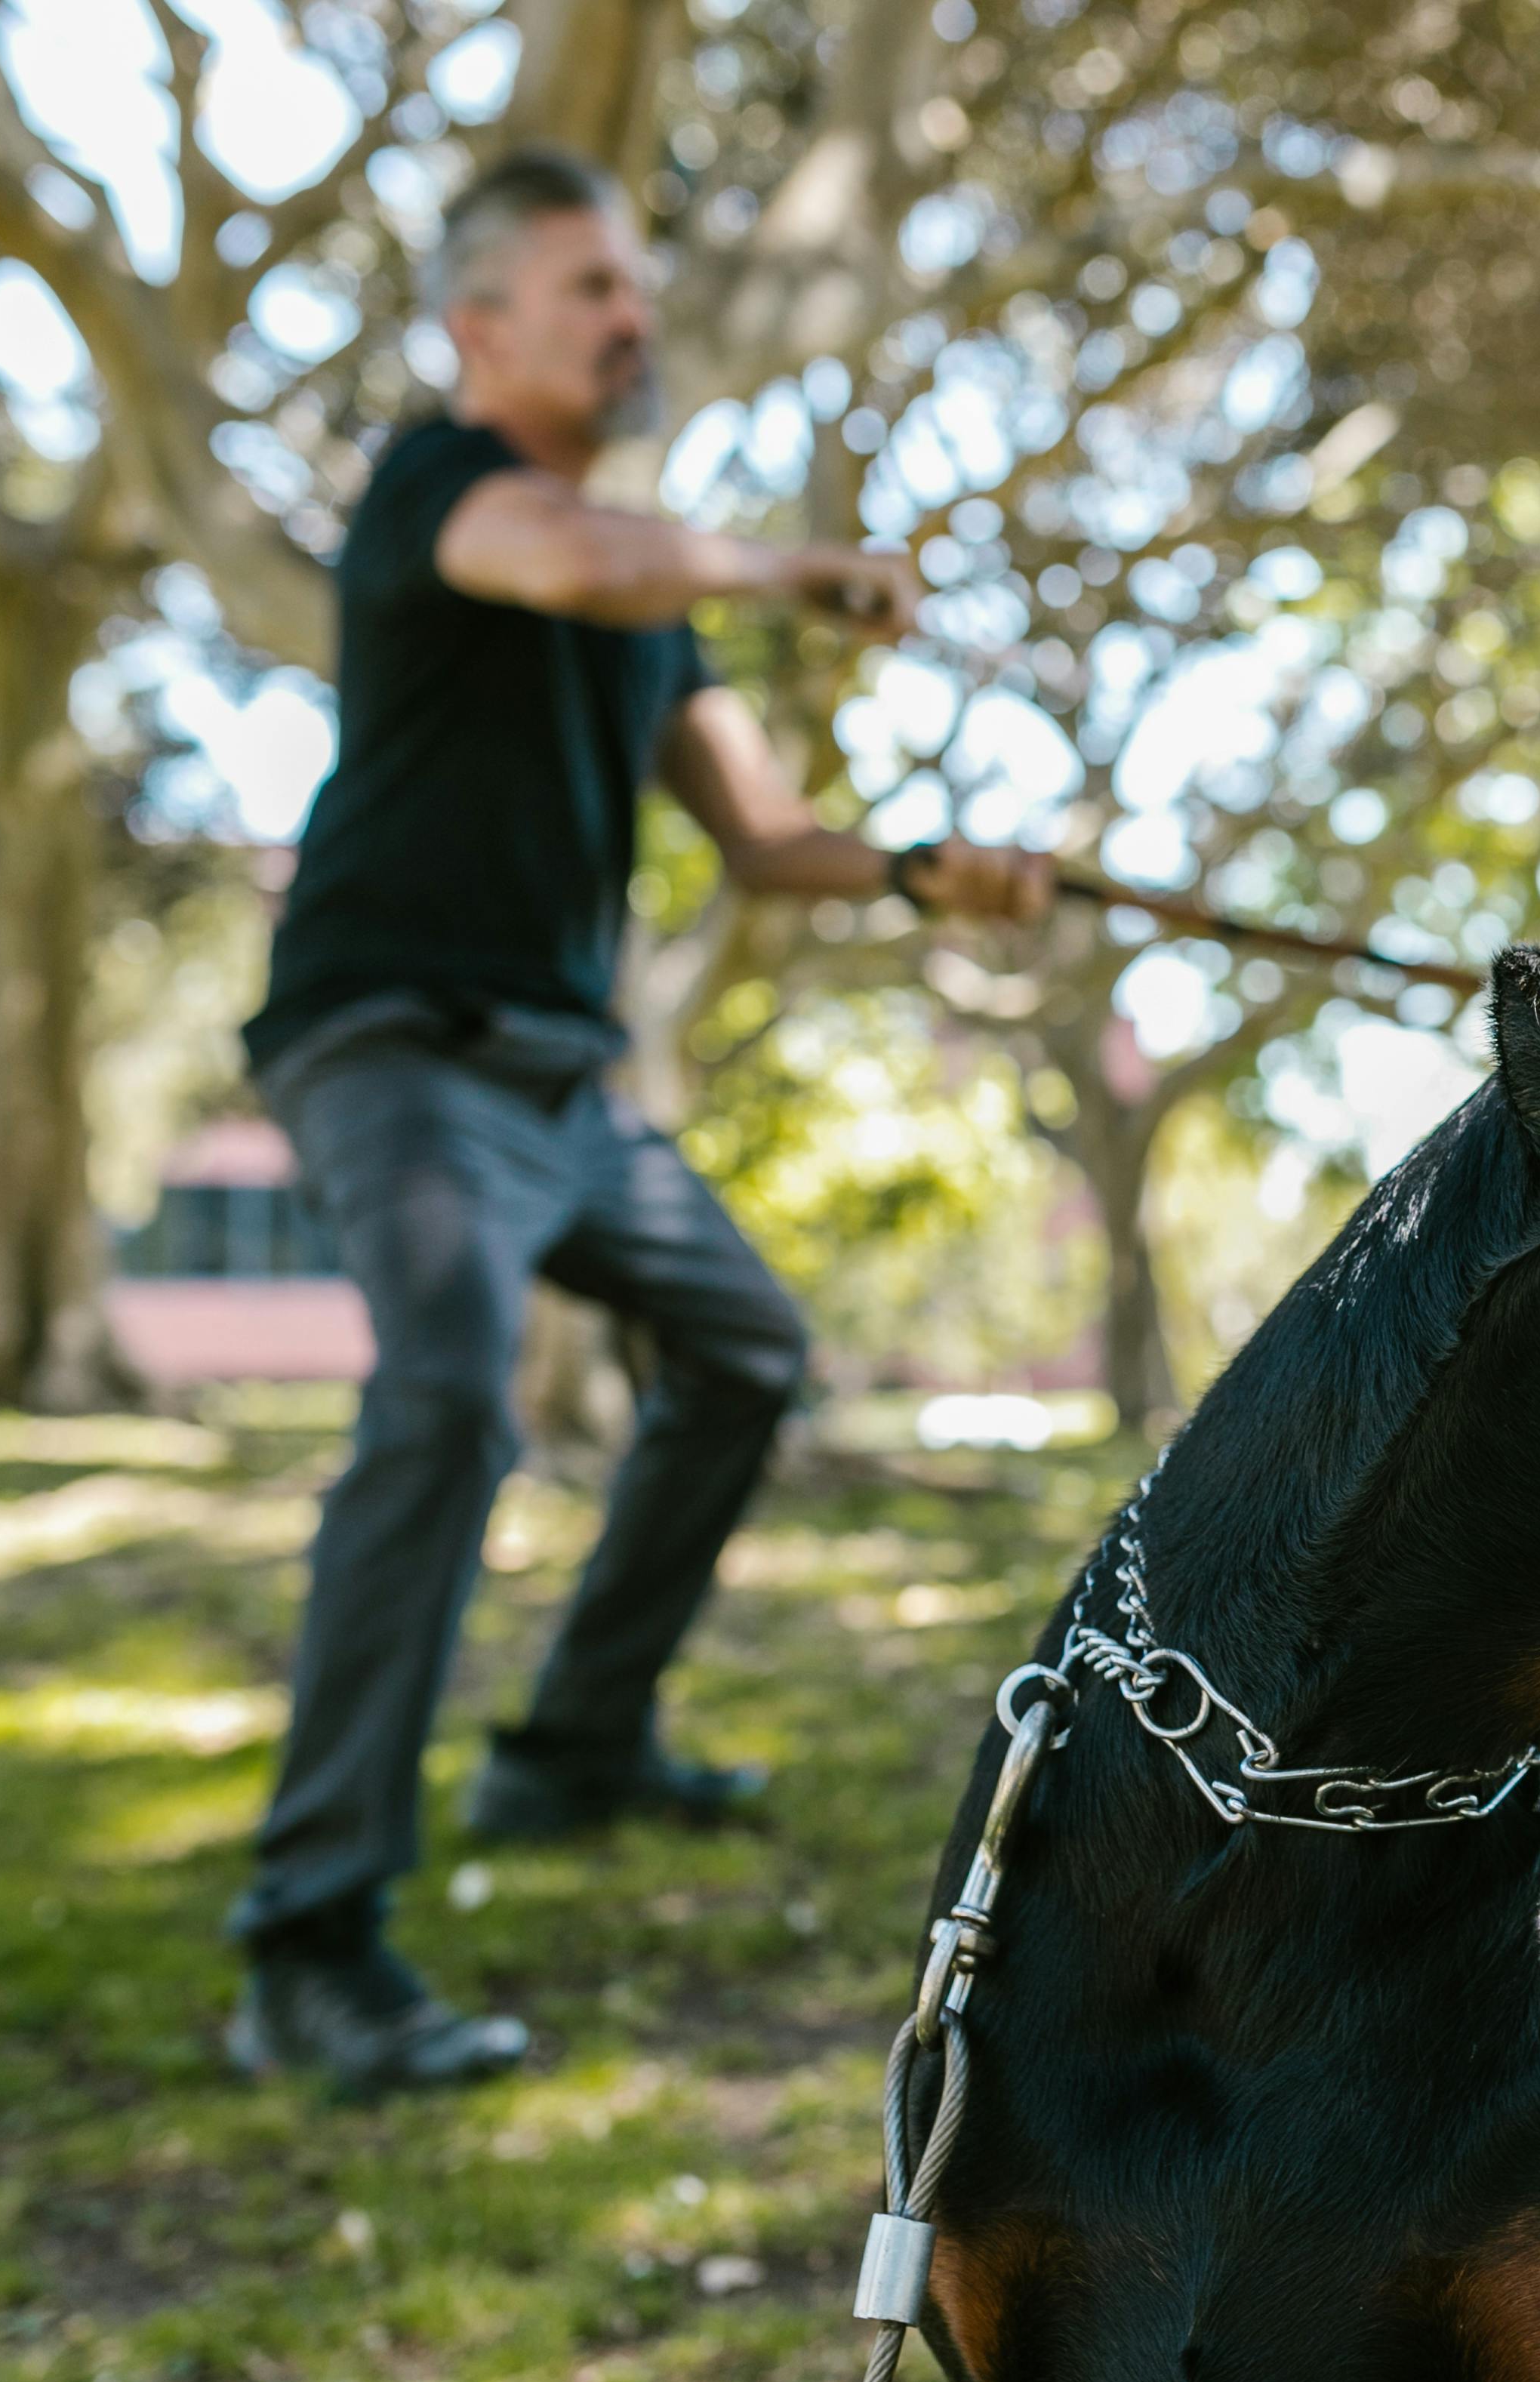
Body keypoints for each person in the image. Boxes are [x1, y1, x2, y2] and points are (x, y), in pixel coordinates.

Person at [226, 148, 1054, 2095]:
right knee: (448, 1397)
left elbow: (763, 842)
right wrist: (786, 565)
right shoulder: (446, 493)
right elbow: (585, 558)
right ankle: (308, 1940)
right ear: (480, 324)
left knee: (750, 1349)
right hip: (396, 1044)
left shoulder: (645, 596)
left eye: (637, 288)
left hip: (563, 1085)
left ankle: (574, 1748)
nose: (631, 318)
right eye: (590, 287)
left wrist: (934, 869)